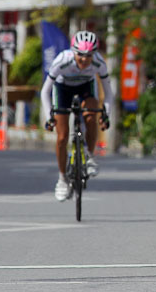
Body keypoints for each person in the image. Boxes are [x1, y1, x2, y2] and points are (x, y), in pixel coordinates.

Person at [40, 31, 113, 202]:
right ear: (73, 52)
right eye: (80, 55)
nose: (84, 60)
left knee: (92, 113)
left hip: (85, 87)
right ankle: (62, 179)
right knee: (62, 136)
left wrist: (106, 115)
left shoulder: (98, 63)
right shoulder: (63, 60)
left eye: (89, 55)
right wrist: (48, 116)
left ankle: (89, 156)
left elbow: (109, 93)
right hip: (62, 89)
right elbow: (45, 91)